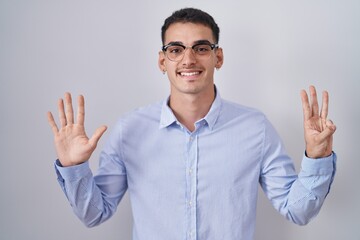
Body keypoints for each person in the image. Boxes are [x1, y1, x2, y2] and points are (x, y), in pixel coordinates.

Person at [47, 8, 337, 240]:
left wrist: (317, 157)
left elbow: (298, 211)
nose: (188, 59)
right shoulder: (129, 130)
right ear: (162, 61)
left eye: (200, 48)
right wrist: (74, 169)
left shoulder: (255, 128)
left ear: (217, 57)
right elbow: (94, 214)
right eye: (175, 49)